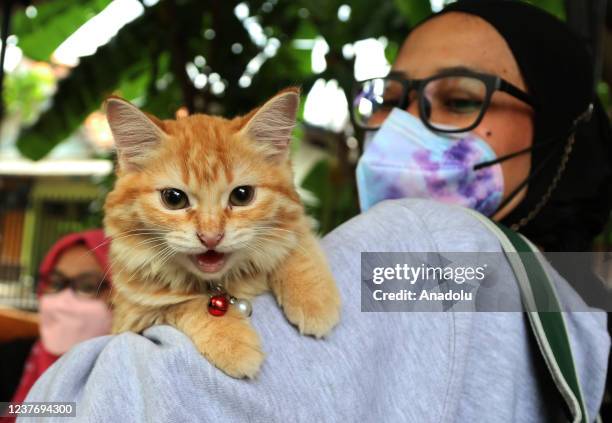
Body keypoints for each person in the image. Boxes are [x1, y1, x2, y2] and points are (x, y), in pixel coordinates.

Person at [20, 1, 610, 422]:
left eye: (458, 100)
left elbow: (93, 406)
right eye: (390, 100)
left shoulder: (427, 241)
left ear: (565, 131)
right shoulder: (573, 295)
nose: (401, 128)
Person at [2, 229, 112, 421]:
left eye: (87, 287)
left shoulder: (132, 379)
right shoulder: (10, 359)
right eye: (55, 282)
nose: (63, 303)